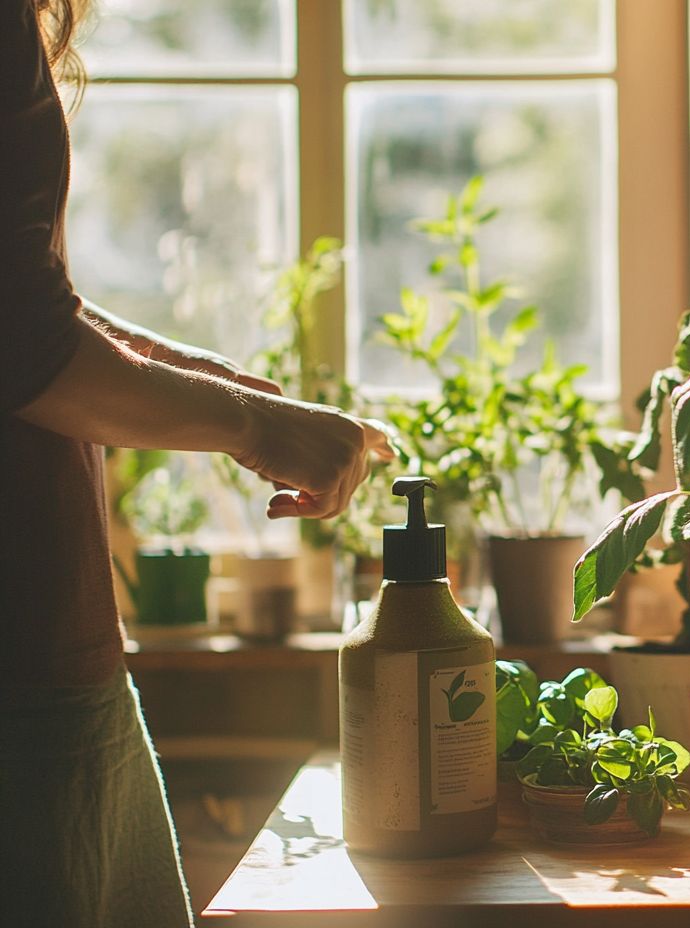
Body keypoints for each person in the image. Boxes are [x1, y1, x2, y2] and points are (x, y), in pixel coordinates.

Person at [1, 2, 395, 924]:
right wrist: (254, 427)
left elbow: (33, 305)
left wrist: (223, 388)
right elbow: (20, 335)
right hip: (24, 667)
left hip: (56, 657)